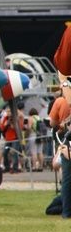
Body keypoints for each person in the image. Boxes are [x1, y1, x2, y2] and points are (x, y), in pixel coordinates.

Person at [48, 79, 71, 218]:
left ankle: (66, 211)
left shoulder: (60, 102)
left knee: (66, 177)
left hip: (65, 139)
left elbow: (52, 122)